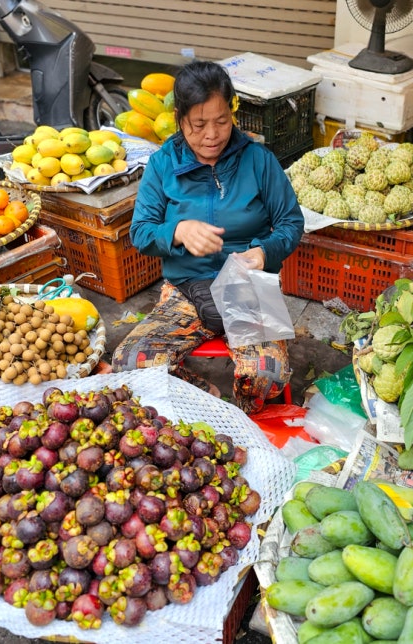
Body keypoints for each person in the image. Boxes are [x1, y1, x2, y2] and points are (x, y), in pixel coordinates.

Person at [112, 60, 304, 413]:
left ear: (232, 113)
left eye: (221, 121)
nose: (212, 134)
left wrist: (263, 253)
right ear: (180, 120)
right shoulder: (163, 164)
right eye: (199, 125)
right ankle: (208, 403)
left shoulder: (258, 160)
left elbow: (291, 222)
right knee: (130, 363)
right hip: (186, 287)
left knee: (268, 375)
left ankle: (247, 417)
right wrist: (178, 231)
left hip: (247, 287)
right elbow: (140, 232)